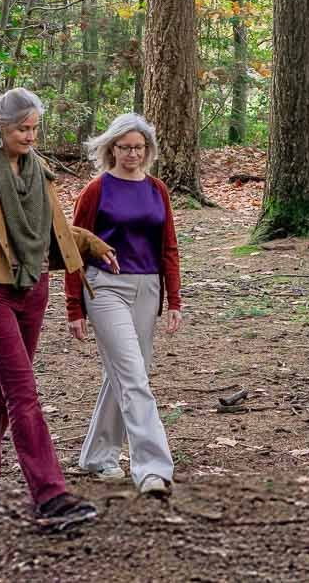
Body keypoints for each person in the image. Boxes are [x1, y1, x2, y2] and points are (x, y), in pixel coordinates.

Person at [0, 87, 117, 526]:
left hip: (34, 290)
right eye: (23, 128)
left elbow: (50, 229)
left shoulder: (39, 171)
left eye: (35, 128)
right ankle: (51, 495)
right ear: (0, 127)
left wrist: (90, 244)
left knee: (5, 392)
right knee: (23, 393)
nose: (31, 136)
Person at [65, 112, 183, 498]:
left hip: (147, 287)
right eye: (125, 147)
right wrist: (74, 307)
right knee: (133, 376)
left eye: (139, 148)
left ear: (148, 150)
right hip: (105, 287)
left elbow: (168, 247)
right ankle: (152, 468)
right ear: (111, 148)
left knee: (127, 373)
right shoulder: (96, 190)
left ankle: (98, 455)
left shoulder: (157, 190)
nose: (132, 154)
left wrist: (174, 299)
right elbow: (73, 248)